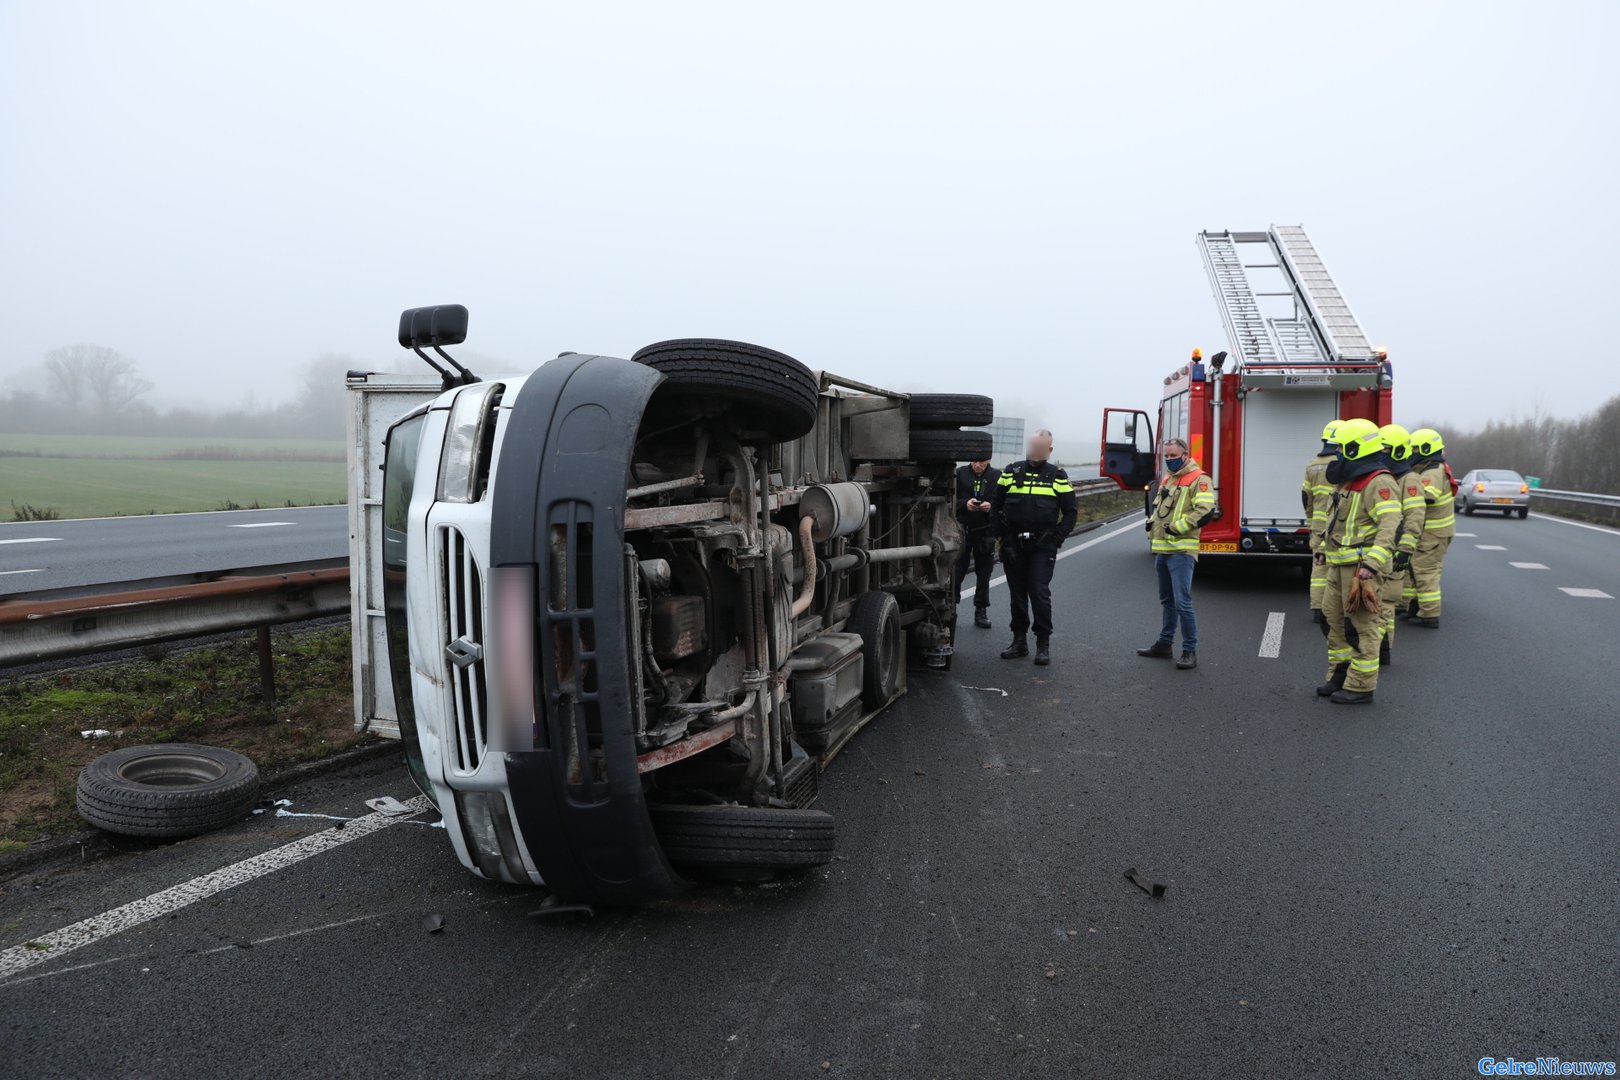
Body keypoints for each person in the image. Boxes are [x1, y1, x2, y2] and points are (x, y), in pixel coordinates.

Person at [1316, 419, 1402, 705]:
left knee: (1362, 627)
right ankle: (1340, 675)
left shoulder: (1380, 481)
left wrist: (1372, 564)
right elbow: (1336, 520)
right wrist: (1321, 548)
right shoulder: (1350, 479)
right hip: (1338, 564)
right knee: (1334, 620)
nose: (1337, 454)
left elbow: (1390, 526)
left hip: (1361, 569)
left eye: (1342, 448)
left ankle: (1361, 686)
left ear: (1356, 448)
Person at [990, 429, 1077, 666]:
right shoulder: (1011, 471)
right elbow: (995, 504)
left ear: (1049, 450)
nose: (1036, 451)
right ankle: (1019, 642)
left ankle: (1042, 644)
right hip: (1013, 543)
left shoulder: (1057, 475)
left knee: (1038, 593)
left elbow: (1070, 512)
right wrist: (1001, 536)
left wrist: (1056, 539)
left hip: (1042, 545)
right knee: (1017, 595)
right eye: (1033, 446)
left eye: (1041, 447)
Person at [1136, 438, 1216, 669]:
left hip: (1181, 549)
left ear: (1185, 454)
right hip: (1162, 549)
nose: (1170, 459)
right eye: (1167, 456)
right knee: (1167, 601)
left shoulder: (1199, 479)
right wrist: (1152, 523)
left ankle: (1190, 650)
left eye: (1173, 455)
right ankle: (1164, 644)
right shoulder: (1169, 479)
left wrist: (1177, 528)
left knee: (1183, 603)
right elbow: (1160, 509)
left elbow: (1205, 511)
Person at [1375, 424, 1427, 665]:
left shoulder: (1410, 479)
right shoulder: (1382, 477)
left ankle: (1382, 651)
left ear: (1397, 452)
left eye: (1385, 449)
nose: (1381, 454)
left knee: (1386, 603)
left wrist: (1405, 549)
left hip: (1395, 549)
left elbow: (1415, 516)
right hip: (1377, 548)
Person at [1405, 428, 1456, 628]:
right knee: (1417, 569)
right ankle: (1416, 607)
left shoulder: (1432, 471)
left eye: (1416, 449)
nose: (1413, 452)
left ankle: (1429, 615)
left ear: (1426, 449)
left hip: (1433, 533)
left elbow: (1427, 496)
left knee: (1425, 572)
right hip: (1431, 532)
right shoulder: (1428, 467)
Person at [1303, 420, 1342, 636]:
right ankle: (1336, 609)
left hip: (1319, 523)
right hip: (1340, 522)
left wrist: (1311, 518)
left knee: (1319, 565)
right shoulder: (1344, 463)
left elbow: (1305, 496)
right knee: (1337, 566)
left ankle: (1318, 609)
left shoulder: (1312, 464)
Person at [954, 456, 1001, 629]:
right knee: (957, 571)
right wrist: (965, 504)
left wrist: (991, 506)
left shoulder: (997, 476)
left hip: (986, 531)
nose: (977, 465)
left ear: (989, 460)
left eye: (981, 462)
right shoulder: (960, 474)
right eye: (974, 461)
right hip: (962, 530)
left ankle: (981, 611)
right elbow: (950, 499)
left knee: (984, 574)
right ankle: (952, 608)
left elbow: (1002, 502)